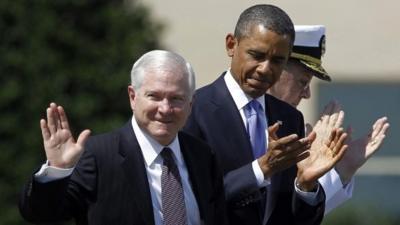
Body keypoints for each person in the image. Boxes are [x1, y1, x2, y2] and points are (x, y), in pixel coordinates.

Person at [19, 50, 227, 225]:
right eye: (154, 96)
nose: (165, 109)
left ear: (190, 104)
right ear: (133, 97)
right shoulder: (97, 156)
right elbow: (40, 215)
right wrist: (57, 171)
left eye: (176, 98)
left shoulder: (202, 155)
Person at [183, 4, 348, 225]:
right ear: (232, 45)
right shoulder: (193, 110)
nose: (265, 68)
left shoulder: (290, 118)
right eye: (256, 55)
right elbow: (190, 202)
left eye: (278, 60)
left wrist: (305, 186)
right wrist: (262, 169)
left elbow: (295, 219)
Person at [268, 25, 390, 213]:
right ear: (275, 69)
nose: (307, 94)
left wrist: (342, 170)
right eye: (303, 81)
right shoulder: (234, 118)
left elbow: (295, 216)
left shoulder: (288, 129)